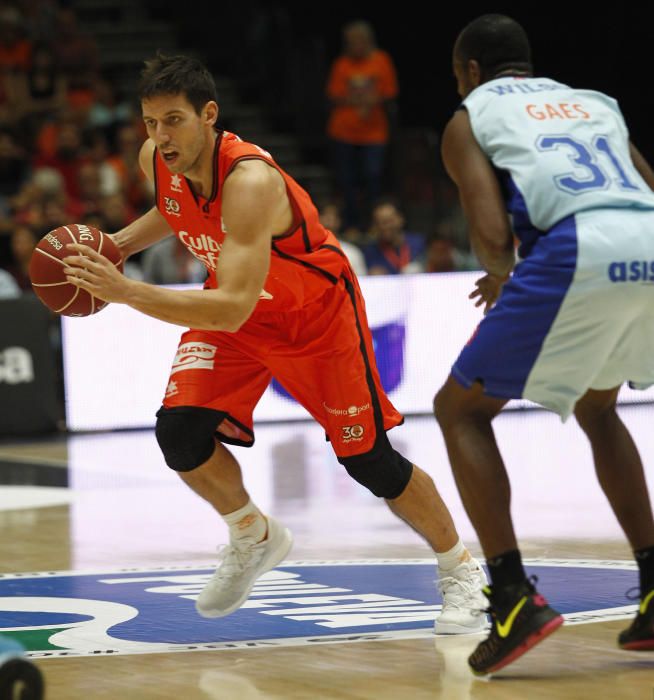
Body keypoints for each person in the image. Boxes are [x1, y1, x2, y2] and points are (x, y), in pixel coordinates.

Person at [61, 54, 488, 633]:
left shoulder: (251, 181)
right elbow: (175, 209)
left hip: (314, 319)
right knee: (179, 433)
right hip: (240, 320)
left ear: (209, 115)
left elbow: (233, 302)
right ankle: (250, 533)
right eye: (150, 122)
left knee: (370, 462)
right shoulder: (157, 160)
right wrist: (116, 245)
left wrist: (124, 290)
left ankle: (461, 572)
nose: (160, 136)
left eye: (174, 121)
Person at [433, 14, 654, 675]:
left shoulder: (469, 115)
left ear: (470, 72)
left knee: (459, 410)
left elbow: (491, 231)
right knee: (597, 406)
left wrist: (503, 277)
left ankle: (510, 599)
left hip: (577, 248)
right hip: (647, 244)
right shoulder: (593, 102)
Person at [326, 21, 398, 230]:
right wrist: (361, 101)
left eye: (358, 41)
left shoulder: (381, 60)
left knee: (373, 178)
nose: (355, 46)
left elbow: (390, 91)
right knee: (346, 181)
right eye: (350, 42)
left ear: (368, 41)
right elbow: (334, 93)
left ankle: (374, 224)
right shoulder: (342, 64)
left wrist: (367, 102)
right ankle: (351, 225)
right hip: (344, 132)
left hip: (374, 133)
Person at [364, 200, 426, 275]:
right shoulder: (371, 252)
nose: (383, 227)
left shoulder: (419, 243)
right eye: (378, 223)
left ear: (401, 219)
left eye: (388, 221)